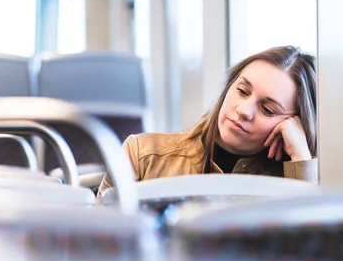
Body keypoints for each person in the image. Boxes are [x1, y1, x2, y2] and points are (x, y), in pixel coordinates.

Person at [97, 45, 317, 198]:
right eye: (241, 91)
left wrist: (300, 159)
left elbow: (313, 256)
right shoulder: (142, 155)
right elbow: (100, 249)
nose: (243, 111)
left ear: (292, 124)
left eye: (267, 110)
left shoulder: (291, 180)